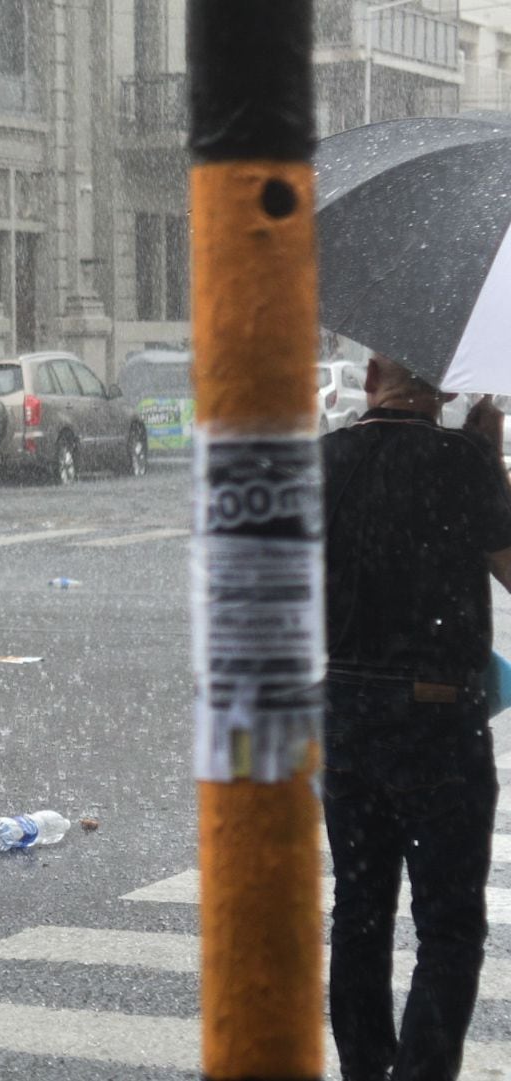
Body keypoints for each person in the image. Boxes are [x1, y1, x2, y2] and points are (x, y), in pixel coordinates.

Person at [320, 355, 511, 1081]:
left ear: (371, 377)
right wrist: (489, 462)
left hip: (345, 714)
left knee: (360, 913)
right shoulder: (461, 461)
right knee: (450, 924)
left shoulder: (325, 459)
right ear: (446, 390)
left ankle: (368, 1070)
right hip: (438, 723)